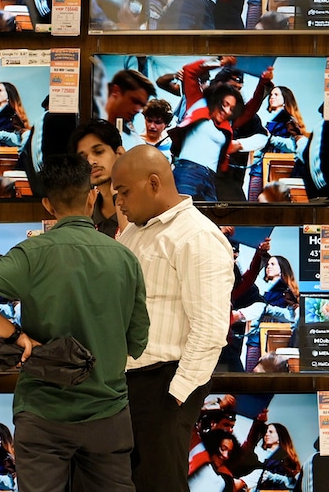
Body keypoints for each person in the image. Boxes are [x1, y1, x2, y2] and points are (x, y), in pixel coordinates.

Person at [0, 153, 149, 492]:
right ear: (92, 195)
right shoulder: (124, 258)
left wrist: (17, 336)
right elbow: (138, 342)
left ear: (47, 205)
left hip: (43, 413)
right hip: (107, 412)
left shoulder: (32, 253)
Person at [111, 144, 234, 492]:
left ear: (153, 183)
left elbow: (210, 329)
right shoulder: (136, 230)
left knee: (159, 483)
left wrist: (176, 395)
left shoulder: (197, 237)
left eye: (123, 192)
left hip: (163, 384)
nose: (119, 202)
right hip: (127, 384)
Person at [71, 119, 125, 238]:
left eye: (98, 152)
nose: (90, 162)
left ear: (120, 153)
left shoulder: (141, 206)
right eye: (83, 158)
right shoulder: (85, 212)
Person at [103, 69, 157, 150]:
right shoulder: (91, 124)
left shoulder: (135, 142)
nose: (138, 110)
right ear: (116, 91)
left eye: (142, 105)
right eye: (135, 101)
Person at [243, 418, 301, 490]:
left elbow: (293, 481)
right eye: (266, 432)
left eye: (271, 432)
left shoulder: (286, 458)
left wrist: (272, 477)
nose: (267, 434)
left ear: (279, 436)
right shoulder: (262, 455)